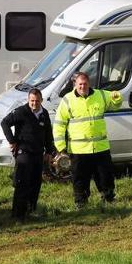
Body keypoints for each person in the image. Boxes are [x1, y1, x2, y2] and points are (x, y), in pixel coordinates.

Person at [53, 72, 123, 209]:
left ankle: (108, 197)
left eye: (85, 84)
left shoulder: (100, 95)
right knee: (80, 179)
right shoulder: (67, 100)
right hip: (79, 149)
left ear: (88, 83)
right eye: (80, 84)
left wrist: (116, 97)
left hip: (100, 147)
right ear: (75, 85)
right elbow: (59, 124)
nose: (83, 86)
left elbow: (116, 104)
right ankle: (81, 202)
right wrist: (60, 146)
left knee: (105, 175)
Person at [1, 88, 57, 220]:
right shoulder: (21, 112)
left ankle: (31, 210)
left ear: (41, 100)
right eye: (32, 101)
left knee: (35, 183)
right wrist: (12, 141)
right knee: (22, 183)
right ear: (28, 100)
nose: (34, 103)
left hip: (38, 154)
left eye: (37, 101)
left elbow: (48, 133)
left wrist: (49, 151)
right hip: (24, 153)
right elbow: (4, 123)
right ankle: (17, 214)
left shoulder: (44, 114)